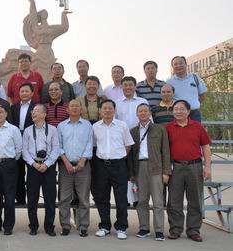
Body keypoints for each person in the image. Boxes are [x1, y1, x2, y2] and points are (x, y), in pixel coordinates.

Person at [165, 100, 212, 242]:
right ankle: (175, 229)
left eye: (182, 109)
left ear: (188, 111)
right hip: (175, 167)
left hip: (194, 166)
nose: (178, 112)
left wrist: (207, 167)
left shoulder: (197, 126)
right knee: (174, 200)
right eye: (176, 109)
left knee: (195, 199)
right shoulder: (168, 127)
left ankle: (193, 230)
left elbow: (205, 147)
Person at [127, 103, 171, 241]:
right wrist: (131, 173)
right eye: (140, 111)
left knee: (158, 201)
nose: (143, 113)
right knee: (142, 201)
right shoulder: (133, 132)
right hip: (139, 167)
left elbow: (165, 151)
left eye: (145, 111)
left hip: (156, 167)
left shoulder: (159, 129)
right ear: (137, 114)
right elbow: (130, 155)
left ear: (150, 113)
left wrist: (166, 171)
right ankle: (144, 228)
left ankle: (159, 230)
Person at [92, 100, 134, 240]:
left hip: (119, 165)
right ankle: (104, 226)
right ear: (100, 111)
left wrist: (119, 156)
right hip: (101, 165)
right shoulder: (95, 127)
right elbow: (94, 145)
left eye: (110, 108)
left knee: (121, 197)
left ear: (114, 110)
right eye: (104, 108)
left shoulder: (122, 125)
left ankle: (121, 227)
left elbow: (128, 145)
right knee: (102, 197)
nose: (107, 110)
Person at [22, 104, 60, 236]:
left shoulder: (53, 130)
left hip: (48, 168)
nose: (33, 113)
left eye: (37, 111)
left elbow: (56, 149)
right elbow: (24, 150)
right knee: (32, 199)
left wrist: (47, 164)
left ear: (44, 114)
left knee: (50, 199)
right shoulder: (28, 131)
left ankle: (49, 226)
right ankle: (33, 226)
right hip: (33, 167)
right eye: (33, 111)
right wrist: (33, 164)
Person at [57, 100, 93, 236]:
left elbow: (89, 143)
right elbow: (58, 145)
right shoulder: (61, 126)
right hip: (65, 165)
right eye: (72, 106)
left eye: (77, 106)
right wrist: (66, 162)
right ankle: (65, 225)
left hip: (83, 165)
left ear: (81, 109)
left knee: (83, 198)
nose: (75, 108)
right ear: (67, 110)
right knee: (64, 198)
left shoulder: (87, 125)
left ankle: (83, 226)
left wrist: (83, 161)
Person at [0, 104, 22, 235]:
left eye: (1, 112)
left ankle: (8, 226)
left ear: (6, 114)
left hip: (8, 164)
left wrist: (10, 161)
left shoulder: (13, 130)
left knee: (9, 196)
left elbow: (19, 149)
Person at [11, 83, 35, 206]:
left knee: (32, 173)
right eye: (22, 91)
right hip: (17, 141)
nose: (24, 93)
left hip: (32, 142)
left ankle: (32, 200)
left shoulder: (36, 107)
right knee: (19, 172)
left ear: (32, 93)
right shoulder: (13, 107)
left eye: (27, 91)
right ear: (19, 93)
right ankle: (20, 199)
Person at [167, 56, 207, 122]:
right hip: (178, 114)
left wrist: (194, 104)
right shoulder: (169, 82)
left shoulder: (195, 77)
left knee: (196, 129)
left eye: (181, 63)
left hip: (194, 114)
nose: (178, 66)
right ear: (172, 67)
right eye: (175, 64)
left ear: (186, 64)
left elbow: (203, 94)